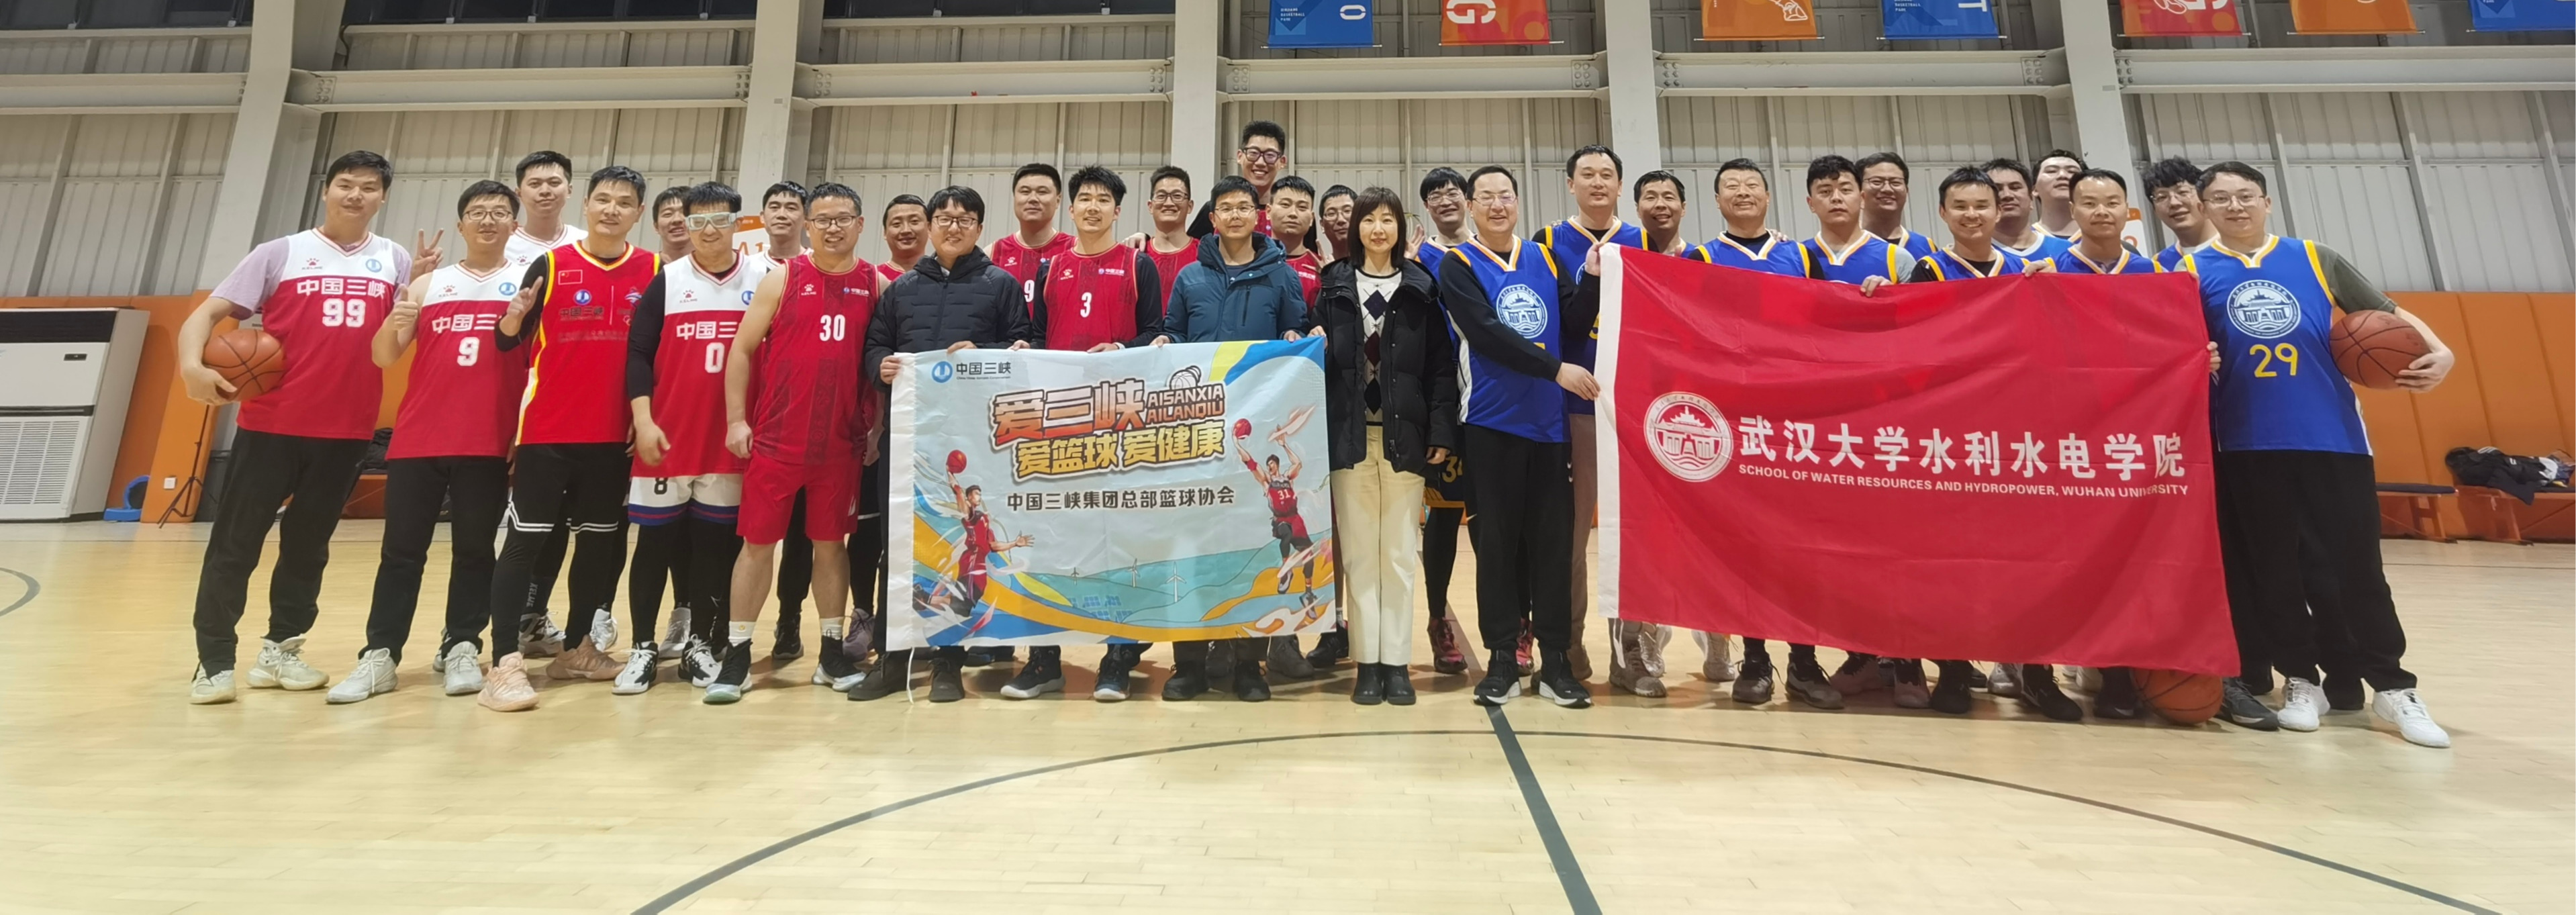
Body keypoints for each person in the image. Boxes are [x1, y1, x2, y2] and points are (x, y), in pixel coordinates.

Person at [2179, 161, 2456, 748]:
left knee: (2358, 568)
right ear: (2204, 209)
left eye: (2245, 195)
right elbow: (2175, 342)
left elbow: (2386, 310)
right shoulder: (2187, 269)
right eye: (2221, 198)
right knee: (2275, 569)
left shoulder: (2314, 256)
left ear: (2267, 202)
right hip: (2244, 440)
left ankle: (2393, 685)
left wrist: (2440, 350)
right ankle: (2301, 679)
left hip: (2333, 435)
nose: (2235, 206)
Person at [176, 150, 414, 705]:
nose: (356, 194)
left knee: (308, 548)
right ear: (326, 190)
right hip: (272, 424)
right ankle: (214, 661)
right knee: (235, 545)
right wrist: (191, 367)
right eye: (346, 184)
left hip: (347, 430)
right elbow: (204, 315)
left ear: (383, 197)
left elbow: (398, 339)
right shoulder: (280, 252)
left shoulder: (394, 259)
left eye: (369, 187)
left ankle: (281, 650)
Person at [327, 180, 526, 704]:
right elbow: (383, 356)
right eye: (477, 212)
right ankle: (380, 654)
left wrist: (522, 431)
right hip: (419, 438)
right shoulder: (427, 284)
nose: (488, 220)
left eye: (499, 212)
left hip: (487, 439)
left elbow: (538, 364)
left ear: (514, 225)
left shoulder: (527, 284)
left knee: (474, 551)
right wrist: (393, 321)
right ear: (461, 225)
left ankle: (462, 643)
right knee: (401, 552)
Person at [477, 164, 659, 712]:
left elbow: (656, 355)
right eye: (603, 199)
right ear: (586, 205)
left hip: (613, 436)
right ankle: (504, 661)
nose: (611, 209)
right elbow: (507, 344)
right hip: (548, 432)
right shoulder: (552, 264)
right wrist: (511, 321)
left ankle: (578, 648)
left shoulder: (654, 269)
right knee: (524, 543)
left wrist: (644, 416)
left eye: (623, 202)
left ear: (638, 213)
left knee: (598, 545)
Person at [710, 183, 887, 705]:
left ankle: (830, 653)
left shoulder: (875, 284)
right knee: (757, 544)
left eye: (843, 218)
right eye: (823, 219)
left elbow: (881, 363)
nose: (833, 227)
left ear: (859, 224)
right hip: (777, 439)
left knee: (831, 546)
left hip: (840, 444)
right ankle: (738, 654)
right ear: (808, 226)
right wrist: (736, 420)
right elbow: (741, 350)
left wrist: (875, 429)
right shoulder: (783, 277)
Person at [861, 185, 1037, 703]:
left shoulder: (1000, 284)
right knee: (896, 548)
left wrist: (984, 352)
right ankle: (892, 659)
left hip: (970, 439)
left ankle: (947, 664)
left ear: (979, 227)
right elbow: (875, 344)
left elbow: (1023, 346)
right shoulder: (902, 289)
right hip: (907, 439)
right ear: (931, 225)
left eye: (964, 219)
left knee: (949, 551)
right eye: (944, 218)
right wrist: (880, 366)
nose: (953, 226)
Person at [1439, 164, 1601, 710]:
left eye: (1505, 195)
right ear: (1470, 206)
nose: (1497, 205)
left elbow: (1573, 323)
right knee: (1497, 546)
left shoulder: (1545, 257)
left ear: (1517, 201)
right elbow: (1487, 334)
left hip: (1550, 428)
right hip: (1489, 424)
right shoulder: (1459, 264)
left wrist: (1593, 278)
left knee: (1552, 546)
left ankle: (1555, 661)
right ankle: (1503, 659)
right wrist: (1555, 370)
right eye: (1485, 197)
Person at [1690, 158, 1843, 711]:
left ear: (1768, 196)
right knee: (1746, 546)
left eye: (1752, 185)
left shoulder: (1801, 256)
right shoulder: (1700, 259)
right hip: (1735, 422)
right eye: (1731, 186)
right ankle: (1754, 659)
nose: (1743, 192)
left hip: (1795, 423)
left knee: (1800, 548)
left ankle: (1803, 660)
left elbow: (1833, 323)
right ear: (1717, 200)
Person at [1015, 164, 1172, 702]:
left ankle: (1119, 656)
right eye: (1084, 198)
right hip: (1058, 427)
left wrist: (1123, 350)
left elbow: (1156, 333)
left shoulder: (1137, 264)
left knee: (1120, 541)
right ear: (1071, 207)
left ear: (1117, 210)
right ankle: (1044, 660)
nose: (1092, 206)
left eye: (1103, 199)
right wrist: (1024, 350)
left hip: (1118, 427)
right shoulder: (1052, 267)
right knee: (1052, 539)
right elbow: (1037, 336)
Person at [1159, 174, 1313, 702]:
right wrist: (1164, 341)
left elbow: (1296, 333)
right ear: (1213, 218)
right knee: (1192, 546)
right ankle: (1188, 665)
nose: (1234, 215)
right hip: (1198, 435)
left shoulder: (1281, 275)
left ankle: (1250, 665)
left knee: (1251, 545)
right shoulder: (1190, 276)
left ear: (1257, 215)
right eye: (1224, 208)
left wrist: (1296, 337)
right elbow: (1174, 333)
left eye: (1243, 207)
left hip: (1255, 428)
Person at [617, 181, 771, 697]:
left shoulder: (763, 279)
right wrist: (643, 421)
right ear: (685, 224)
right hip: (668, 439)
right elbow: (638, 355)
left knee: (714, 549)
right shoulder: (668, 279)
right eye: (698, 221)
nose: (708, 230)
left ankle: (700, 644)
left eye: (719, 220)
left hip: (730, 442)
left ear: (737, 224)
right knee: (653, 546)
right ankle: (642, 647)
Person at [1317, 187, 1456, 706]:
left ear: (1400, 228)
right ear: (1355, 228)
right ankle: (1367, 664)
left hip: (1405, 438)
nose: (1378, 228)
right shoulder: (1333, 285)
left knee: (1398, 553)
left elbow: (1440, 367)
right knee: (1358, 555)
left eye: (1387, 219)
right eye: (1368, 219)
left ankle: (1396, 663)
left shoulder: (1421, 286)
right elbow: (1315, 356)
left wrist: (1440, 431)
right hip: (1349, 437)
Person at [1529, 145, 1644, 685]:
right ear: (1569, 184)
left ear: (1620, 185)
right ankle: (1567, 648)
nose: (1597, 182)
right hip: (1573, 409)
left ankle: (1631, 653)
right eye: (1587, 174)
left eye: (1607, 175)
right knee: (1568, 537)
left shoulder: (1645, 241)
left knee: (1636, 537)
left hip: (1635, 413)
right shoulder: (1547, 242)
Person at [1599, 169, 1703, 698]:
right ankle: (1630, 648)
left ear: (1684, 205)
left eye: (1668, 196)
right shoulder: (1618, 257)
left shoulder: (1703, 260)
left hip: (1695, 415)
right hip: (1629, 411)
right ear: (1634, 205)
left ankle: (1711, 639)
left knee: (1691, 536)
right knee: (1633, 533)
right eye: (1649, 197)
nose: (1659, 204)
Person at [503, 150, 587, 662]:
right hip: (503, 393)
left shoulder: (584, 244)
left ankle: (532, 616)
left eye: (555, 182)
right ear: (520, 191)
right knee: (505, 526)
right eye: (535, 183)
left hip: (561, 403)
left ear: (570, 190)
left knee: (555, 522)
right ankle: (473, 628)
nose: (545, 190)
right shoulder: (501, 243)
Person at [1413, 166, 1477, 678]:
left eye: (1452, 191)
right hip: (1445, 404)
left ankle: (1513, 624)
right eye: (1434, 195)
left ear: (1468, 199)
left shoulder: (1494, 251)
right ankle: (1438, 619)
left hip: (1495, 402)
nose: (1445, 200)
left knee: (1497, 521)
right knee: (1442, 520)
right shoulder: (1420, 260)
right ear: (1427, 208)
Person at [1797, 155, 1907, 289]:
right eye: (1825, 191)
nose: (1836, 198)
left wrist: (1894, 295)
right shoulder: (1796, 258)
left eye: (1846, 190)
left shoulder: (1897, 257)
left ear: (1862, 199)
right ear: (1811, 204)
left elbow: (1921, 302)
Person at [990, 162, 1077, 307]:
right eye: (1025, 192)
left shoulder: (1076, 249)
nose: (1033, 199)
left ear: (1058, 200)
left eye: (1042, 192)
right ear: (1015, 197)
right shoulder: (992, 253)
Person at [1984, 157, 2072, 264]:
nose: (2007, 195)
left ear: (2031, 196)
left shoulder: (2067, 251)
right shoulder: (1972, 255)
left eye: (2015, 187)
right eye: (1998, 189)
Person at [1856, 152, 1939, 264]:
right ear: (1859, 190)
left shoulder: (1926, 247)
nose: (1887, 189)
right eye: (1877, 182)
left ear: (1907, 191)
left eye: (1895, 183)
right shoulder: (1846, 245)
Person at [2144, 157, 2214, 271]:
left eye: (2182, 192)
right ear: (2154, 210)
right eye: (2162, 197)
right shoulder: (2160, 264)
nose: (2174, 203)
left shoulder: (2236, 249)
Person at [1142, 166, 1199, 303]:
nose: (1169, 203)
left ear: (1190, 206)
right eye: (1161, 196)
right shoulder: (1137, 255)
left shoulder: (1204, 254)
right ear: (1150, 206)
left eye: (1177, 196)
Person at [1270, 176, 1325, 305]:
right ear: (1268, 211)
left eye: (1302, 207)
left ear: (1311, 219)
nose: (1293, 213)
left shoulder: (1322, 269)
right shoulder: (1251, 261)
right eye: (1285, 205)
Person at [2033, 150, 2086, 239]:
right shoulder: (2019, 241)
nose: (2063, 175)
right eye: (2051, 171)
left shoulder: (2107, 238)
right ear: (2034, 190)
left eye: (2072, 172)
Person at [881, 193, 928, 282]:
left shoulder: (945, 276)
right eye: (896, 224)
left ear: (929, 228)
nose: (906, 230)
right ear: (885, 232)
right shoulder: (873, 278)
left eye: (914, 221)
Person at [759, 181, 808, 264]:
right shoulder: (749, 266)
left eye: (791, 208)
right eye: (774, 207)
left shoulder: (821, 265)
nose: (781, 215)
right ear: (763, 217)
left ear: (806, 218)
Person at [651, 185, 694, 264]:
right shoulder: (644, 267)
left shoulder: (714, 267)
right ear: (656, 226)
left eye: (685, 213)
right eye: (668, 214)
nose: (677, 220)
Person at [1318, 185, 1356, 262]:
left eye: (1347, 211)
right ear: (1322, 225)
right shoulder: (1320, 267)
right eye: (1331, 214)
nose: (1340, 220)